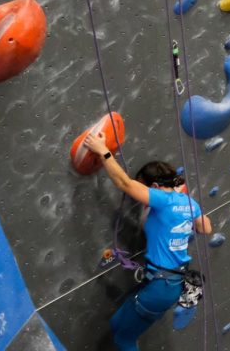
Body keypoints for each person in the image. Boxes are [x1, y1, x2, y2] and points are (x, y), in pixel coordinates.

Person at [80, 130, 212, 351]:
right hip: (168, 283)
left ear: (155, 187)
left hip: (161, 286)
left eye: (144, 189)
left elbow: (124, 183)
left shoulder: (162, 199)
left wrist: (102, 150)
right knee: (116, 325)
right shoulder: (188, 203)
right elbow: (206, 228)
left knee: (124, 340)